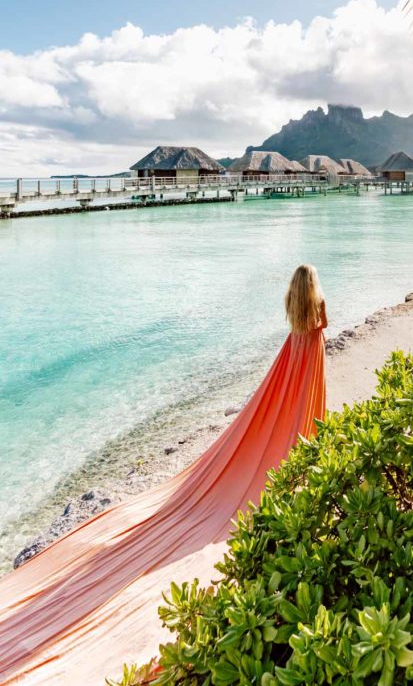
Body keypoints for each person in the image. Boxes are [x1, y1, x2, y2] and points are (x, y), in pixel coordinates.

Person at [0, 267, 327, 685]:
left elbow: (298, 331)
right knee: (298, 413)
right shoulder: (317, 304)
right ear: (314, 286)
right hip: (308, 364)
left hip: (292, 357)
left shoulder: (292, 306)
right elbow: (322, 331)